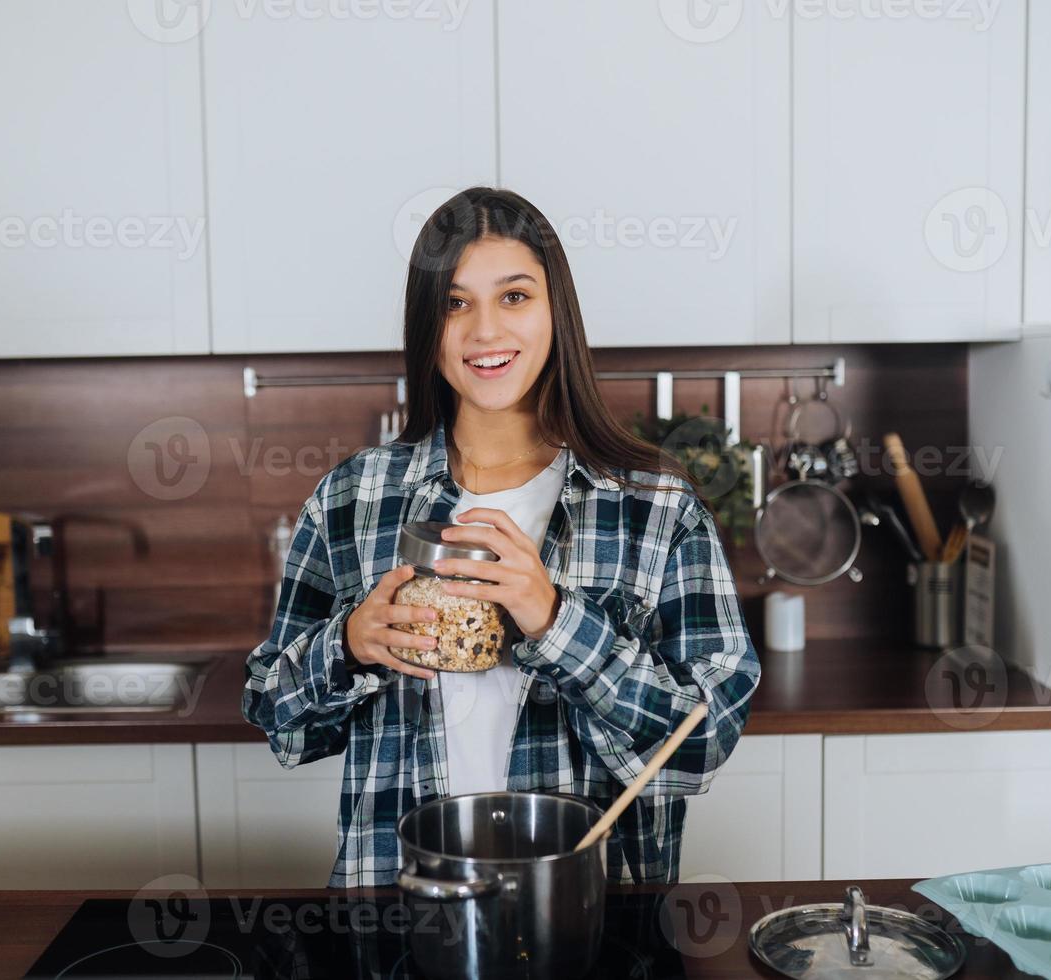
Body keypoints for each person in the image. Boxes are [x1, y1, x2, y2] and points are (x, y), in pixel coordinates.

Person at [243, 187, 760, 888]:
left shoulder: (655, 505)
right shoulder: (352, 499)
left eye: (514, 296)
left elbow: (702, 743)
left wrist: (555, 621)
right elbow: (278, 717)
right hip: (399, 913)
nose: (485, 331)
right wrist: (348, 645)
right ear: (428, 326)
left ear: (556, 313)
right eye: (456, 303)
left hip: (590, 921)